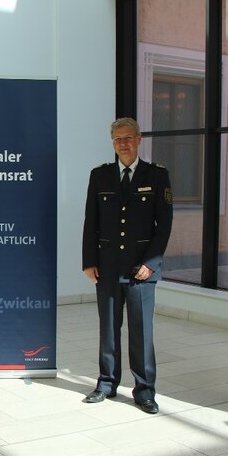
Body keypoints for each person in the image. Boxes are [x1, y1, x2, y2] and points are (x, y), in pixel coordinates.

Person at [81, 117, 173, 414]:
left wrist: (152, 263)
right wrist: (89, 261)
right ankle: (106, 383)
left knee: (141, 331)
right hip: (107, 267)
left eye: (128, 137)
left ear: (139, 139)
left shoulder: (157, 175)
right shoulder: (100, 175)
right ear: (113, 143)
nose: (123, 143)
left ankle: (145, 389)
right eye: (118, 139)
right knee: (108, 329)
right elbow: (90, 222)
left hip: (141, 270)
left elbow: (164, 226)